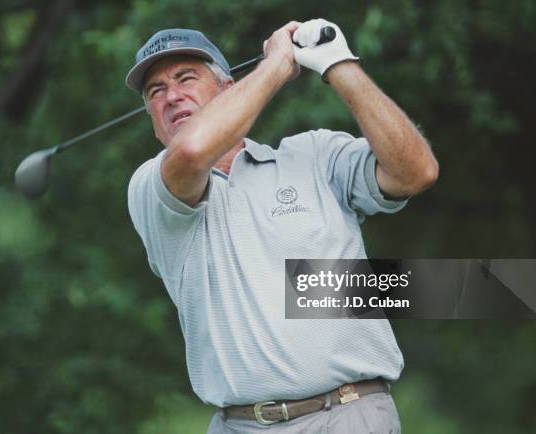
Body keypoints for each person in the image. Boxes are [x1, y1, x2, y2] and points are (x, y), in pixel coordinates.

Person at [126, 18, 438, 433]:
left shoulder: (316, 154)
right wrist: (277, 65)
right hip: (241, 425)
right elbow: (193, 150)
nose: (171, 96)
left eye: (186, 78)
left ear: (228, 87)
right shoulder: (152, 187)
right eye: (155, 91)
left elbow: (416, 172)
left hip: (351, 415)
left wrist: (338, 64)